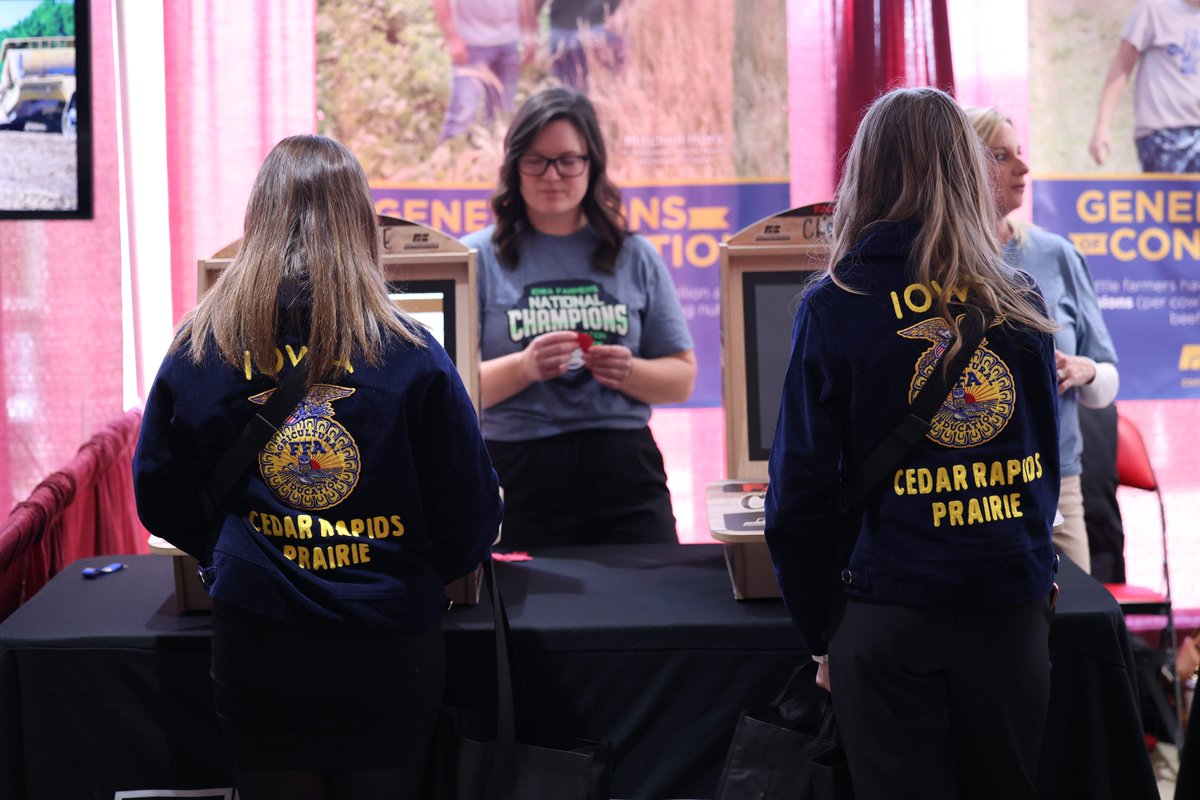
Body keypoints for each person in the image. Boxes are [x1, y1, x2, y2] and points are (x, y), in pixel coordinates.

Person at [132, 135, 502, 800]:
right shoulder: (412, 353)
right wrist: (401, 567)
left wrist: (235, 555)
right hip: (390, 647)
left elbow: (158, 494)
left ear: (258, 220)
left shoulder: (201, 347)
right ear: (362, 224)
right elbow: (471, 520)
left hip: (257, 645)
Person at [764, 87, 1062, 800]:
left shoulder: (836, 303)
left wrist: (819, 634)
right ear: (967, 172)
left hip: (885, 612)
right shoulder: (1017, 298)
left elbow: (796, 497)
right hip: (1006, 606)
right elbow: (1040, 469)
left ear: (863, 174)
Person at [463, 86, 696, 550]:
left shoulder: (636, 256)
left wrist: (629, 371)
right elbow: (454, 390)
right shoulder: (477, 257)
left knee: (652, 610)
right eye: (536, 160)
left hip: (624, 466)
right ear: (514, 165)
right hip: (516, 470)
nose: (553, 175)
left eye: (569, 160)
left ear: (592, 164)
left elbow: (682, 380)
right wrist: (524, 367)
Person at [966, 106, 1120, 575]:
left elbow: (1108, 376)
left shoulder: (1057, 255)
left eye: (1021, 153)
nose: (1024, 167)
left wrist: (1083, 370)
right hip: (966, 491)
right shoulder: (934, 260)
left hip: (1059, 483)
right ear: (963, 166)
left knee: (1074, 630)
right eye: (1001, 156)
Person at [1088, 0, 1200, 172]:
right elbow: (1122, 65)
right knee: (1167, 197)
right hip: (1163, 134)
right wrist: (1102, 125)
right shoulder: (1153, 10)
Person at [433, 0, 537, 143]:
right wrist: (452, 38)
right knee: (463, 113)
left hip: (509, 42)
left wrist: (529, 33)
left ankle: (492, 159)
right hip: (471, 44)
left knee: (502, 113)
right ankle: (448, 158)